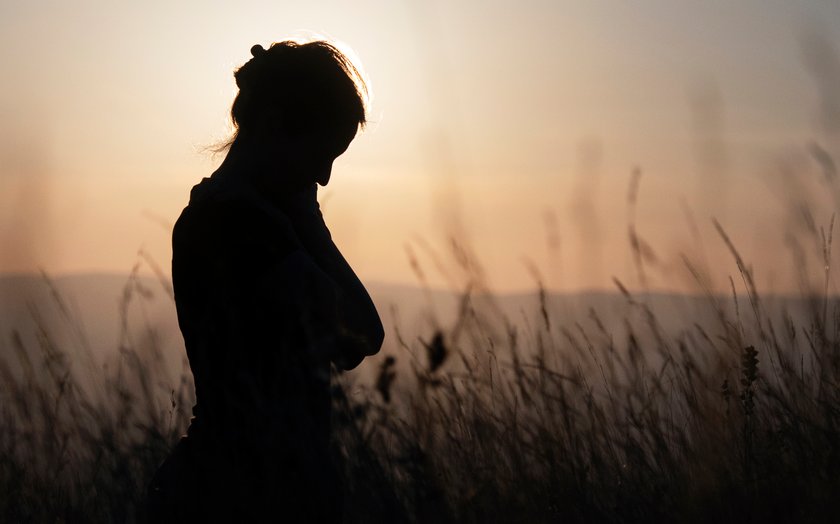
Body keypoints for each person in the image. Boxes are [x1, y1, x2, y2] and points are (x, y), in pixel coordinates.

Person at [145, 40, 384, 523]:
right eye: (322, 153)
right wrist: (312, 226)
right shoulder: (236, 223)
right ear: (275, 124)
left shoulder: (239, 215)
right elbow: (359, 335)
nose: (323, 177)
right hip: (238, 493)